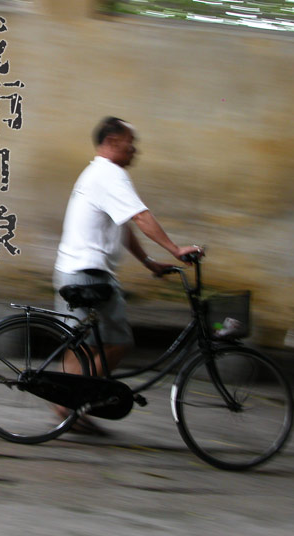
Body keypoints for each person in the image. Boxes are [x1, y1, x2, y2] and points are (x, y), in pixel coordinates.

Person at [52, 116, 202, 433]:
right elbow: (141, 217)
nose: (135, 150)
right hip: (89, 273)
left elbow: (124, 225)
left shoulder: (96, 173)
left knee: (82, 345)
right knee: (117, 342)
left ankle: (70, 410)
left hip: (72, 269)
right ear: (111, 142)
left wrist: (148, 262)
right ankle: (69, 404)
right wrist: (175, 249)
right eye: (130, 142)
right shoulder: (110, 174)